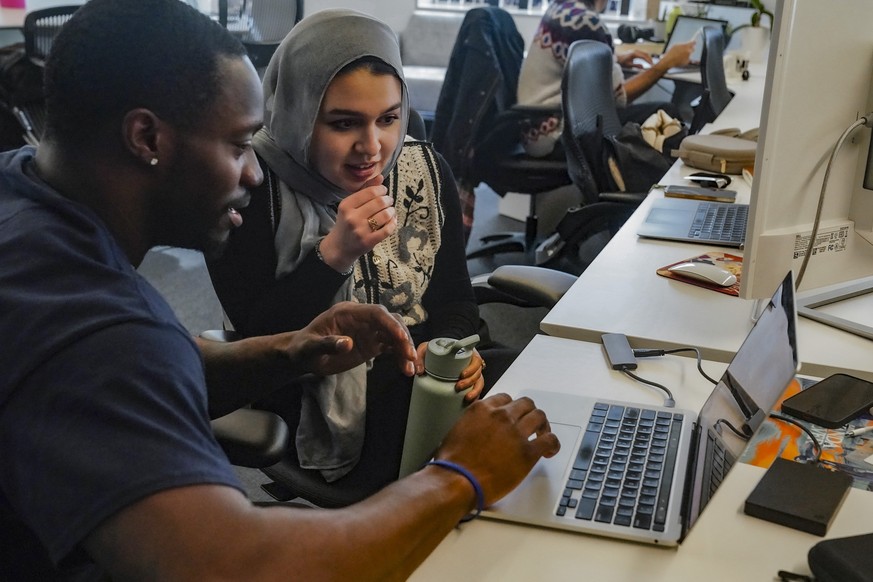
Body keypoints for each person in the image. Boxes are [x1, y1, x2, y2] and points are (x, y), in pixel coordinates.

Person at [0, 1, 560, 580]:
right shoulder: (93, 333)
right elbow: (234, 565)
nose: (252, 173)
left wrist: (288, 351)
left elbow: (163, 365)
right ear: (146, 137)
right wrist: (460, 478)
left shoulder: (24, 194)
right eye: (240, 145)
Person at [206, 9, 519, 503]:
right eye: (344, 123)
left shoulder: (423, 168)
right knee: (470, 465)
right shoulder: (250, 187)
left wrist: (452, 352)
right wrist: (333, 254)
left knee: (520, 384)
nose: (372, 147)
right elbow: (258, 342)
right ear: (299, 111)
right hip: (311, 391)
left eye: (389, 119)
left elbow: (456, 301)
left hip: (418, 373)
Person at [517, 0, 696, 157]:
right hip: (553, 132)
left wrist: (614, 58)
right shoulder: (587, 22)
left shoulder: (562, 9)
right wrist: (665, 64)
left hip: (535, 129)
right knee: (664, 113)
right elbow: (618, 100)